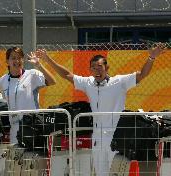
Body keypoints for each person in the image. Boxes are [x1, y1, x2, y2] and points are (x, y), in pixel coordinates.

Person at [35, 46, 165, 176]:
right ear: (90, 69)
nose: (97, 71)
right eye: (93, 68)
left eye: (100, 67)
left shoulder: (119, 82)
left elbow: (142, 74)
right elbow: (67, 75)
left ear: (107, 68)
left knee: (116, 172)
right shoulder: (88, 83)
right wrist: (48, 59)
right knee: (100, 173)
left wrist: (151, 57)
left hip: (115, 137)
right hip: (97, 138)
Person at [0, 47, 56, 144]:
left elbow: (52, 81)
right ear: (7, 61)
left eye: (19, 57)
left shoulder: (32, 74)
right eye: (13, 58)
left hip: (32, 127)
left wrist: (39, 65)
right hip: (14, 129)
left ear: (23, 59)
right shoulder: (2, 81)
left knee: (35, 158)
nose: (17, 60)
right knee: (15, 158)